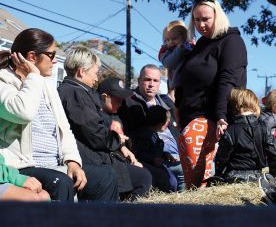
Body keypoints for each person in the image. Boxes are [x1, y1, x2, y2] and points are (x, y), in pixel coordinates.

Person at [0, 28, 118, 202]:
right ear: (32, 57)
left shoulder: (46, 85)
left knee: (106, 176)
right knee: (61, 182)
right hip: (22, 166)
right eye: (51, 55)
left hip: (55, 164)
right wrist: (33, 76)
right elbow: (23, 112)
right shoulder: (4, 81)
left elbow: (65, 129)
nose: (55, 61)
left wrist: (72, 162)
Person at [174, 0, 247, 187]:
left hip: (214, 117)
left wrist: (222, 115)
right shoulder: (201, 45)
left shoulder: (231, 41)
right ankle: (195, 204)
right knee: (192, 181)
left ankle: (201, 203)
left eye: (205, 19)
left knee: (201, 181)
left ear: (218, 16)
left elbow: (228, 80)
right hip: (190, 115)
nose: (200, 25)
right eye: (196, 20)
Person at [58, 49, 152, 199]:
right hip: (90, 160)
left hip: (91, 157)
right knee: (142, 178)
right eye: (95, 73)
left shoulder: (75, 91)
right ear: (82, 71)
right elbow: (93, 132)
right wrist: (117, 141)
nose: (97, 78)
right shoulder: (75, 93)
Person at [118, 64, 181, 192]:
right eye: (147, 79)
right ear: (139, 80)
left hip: (175, 153)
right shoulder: (128, 103)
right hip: (151, 158)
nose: (151, 84)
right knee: (181, 172)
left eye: (155, 80)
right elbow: (134, 141)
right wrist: (157, 157)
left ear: (159, 83)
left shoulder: (166, 102)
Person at [214, 89, 276, 183]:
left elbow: (221, 160)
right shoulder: (263, 128)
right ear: (254, 105)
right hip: (257, 179)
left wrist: (218, 175)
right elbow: (275, 155)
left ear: (234, 107)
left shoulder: (230, 131)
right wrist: (273, 177)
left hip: (233, 180)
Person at [133, 105, 185, 192]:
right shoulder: (145, 134)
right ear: (161, 123)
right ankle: (181, 194)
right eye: (166, 122)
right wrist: (153, 159)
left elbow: (154, 150)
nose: (168, 124)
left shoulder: (152, 133)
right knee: (177, 173)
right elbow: (139, 154)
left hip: (158, 162)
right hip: (149, 165)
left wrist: (165, 155)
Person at [159, 23, 193, 89]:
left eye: (174, 38)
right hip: (178, 84)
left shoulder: (189, 47)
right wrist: (179, 49)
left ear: (184, 37)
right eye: (167, 40)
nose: (171, 42)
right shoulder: (166, 50)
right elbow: (168, 63)